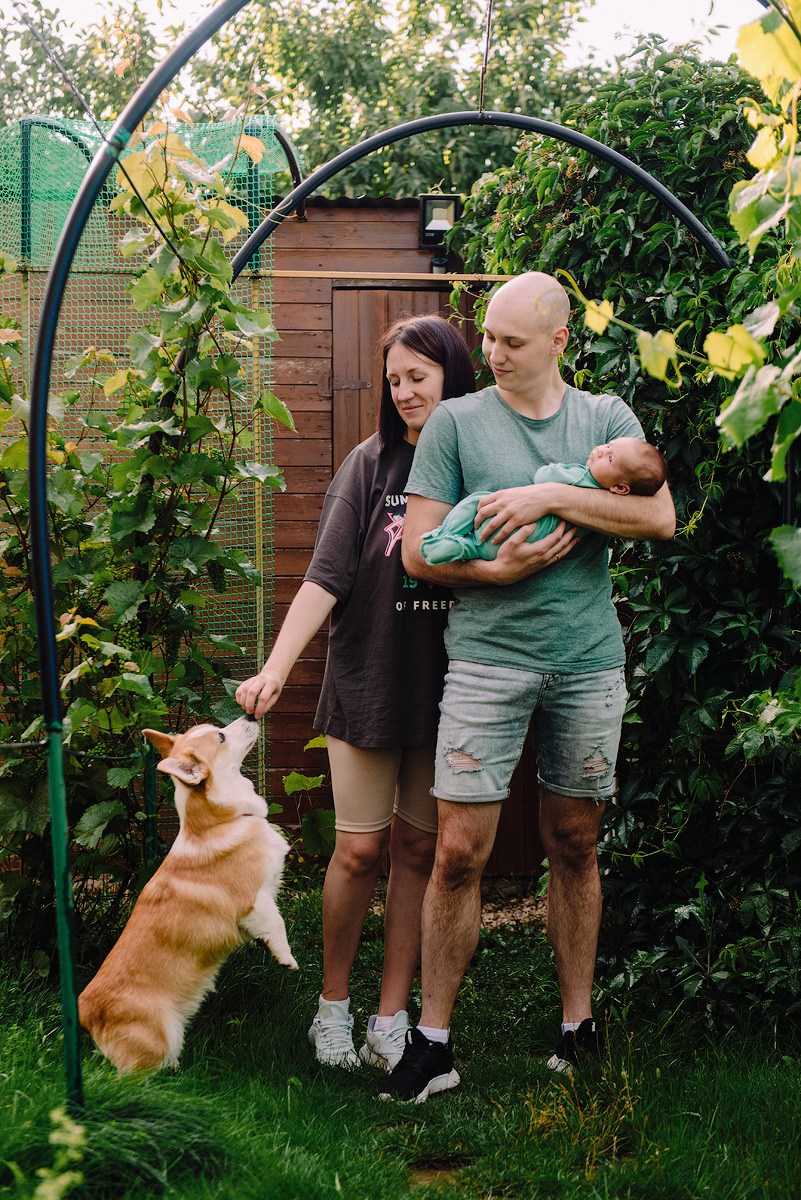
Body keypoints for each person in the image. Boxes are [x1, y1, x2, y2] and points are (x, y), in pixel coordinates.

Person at [378, 272, 675, 1103]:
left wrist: (550, 493)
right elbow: (417, 550)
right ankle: (431, 1043)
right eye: (489, 339)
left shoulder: (605, 420)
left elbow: (657, 518)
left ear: (557, 342)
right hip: (484, 663)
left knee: (574, 843)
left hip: (586, 662)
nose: (492, 355)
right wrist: (494, 567)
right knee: (457, 853)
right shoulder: (454, 423)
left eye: (511, 341)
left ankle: (577, 1029)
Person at [236, 315, 476, 1073]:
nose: (404, 392)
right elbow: (326, 577)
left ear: (451, 377)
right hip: (368, 682)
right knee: (357, 849)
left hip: (451, 690)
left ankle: (389, 1016)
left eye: (418, 377)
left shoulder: (480, 463)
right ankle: (331, 1008)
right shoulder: (370, 466)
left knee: (417, 851)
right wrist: (276, 667)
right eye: (395, 379)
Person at [420, 437, 668, 564]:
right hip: (515, 546)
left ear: (620, 487)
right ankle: (463, 549)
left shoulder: (580, 477)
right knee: (477, 544)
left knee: (477, 502)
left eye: (610, 459)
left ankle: (447, 537)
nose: (601, 450)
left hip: (500, 526)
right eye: (607, 445)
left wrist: (553, 486)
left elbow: (544, 475)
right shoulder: (601, 510)